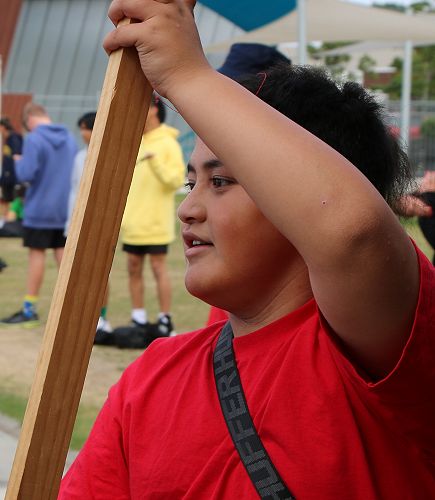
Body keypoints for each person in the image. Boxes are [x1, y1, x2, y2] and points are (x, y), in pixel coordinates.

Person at [59, 1, 435, 498]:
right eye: (192, 183)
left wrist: (187, 76)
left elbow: (351, 231)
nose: (188, 209)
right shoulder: (149, 379)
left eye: (222, 181)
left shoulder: (384, 351)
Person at [114, 96, 185, 344]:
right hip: (133, 221)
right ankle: (138, 317)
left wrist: (154, 163)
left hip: (156, 221)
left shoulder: (168, 143)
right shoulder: (133, 141)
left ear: (154, 109)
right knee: (133, 267)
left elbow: (175, 181)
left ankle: (165, 318)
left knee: (158, 267)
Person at [0, 103, 77, 327]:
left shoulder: (34, 139)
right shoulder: (70, 138)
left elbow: (26, 174)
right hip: (65, 209)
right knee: (64, 257)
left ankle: (29, 309)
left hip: (40, 209)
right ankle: (73, 307)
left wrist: (18, 162)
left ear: (28, 120)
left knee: (36, 255)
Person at [64, 111, 113, 339]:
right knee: (78, 272)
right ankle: (79, 316)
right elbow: (74, 190)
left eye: (86, 128)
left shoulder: (107, 153)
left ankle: (101, 317)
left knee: (98, 271)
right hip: (75, 221)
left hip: (97, 221)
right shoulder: (79, 156)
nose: (83, 133)